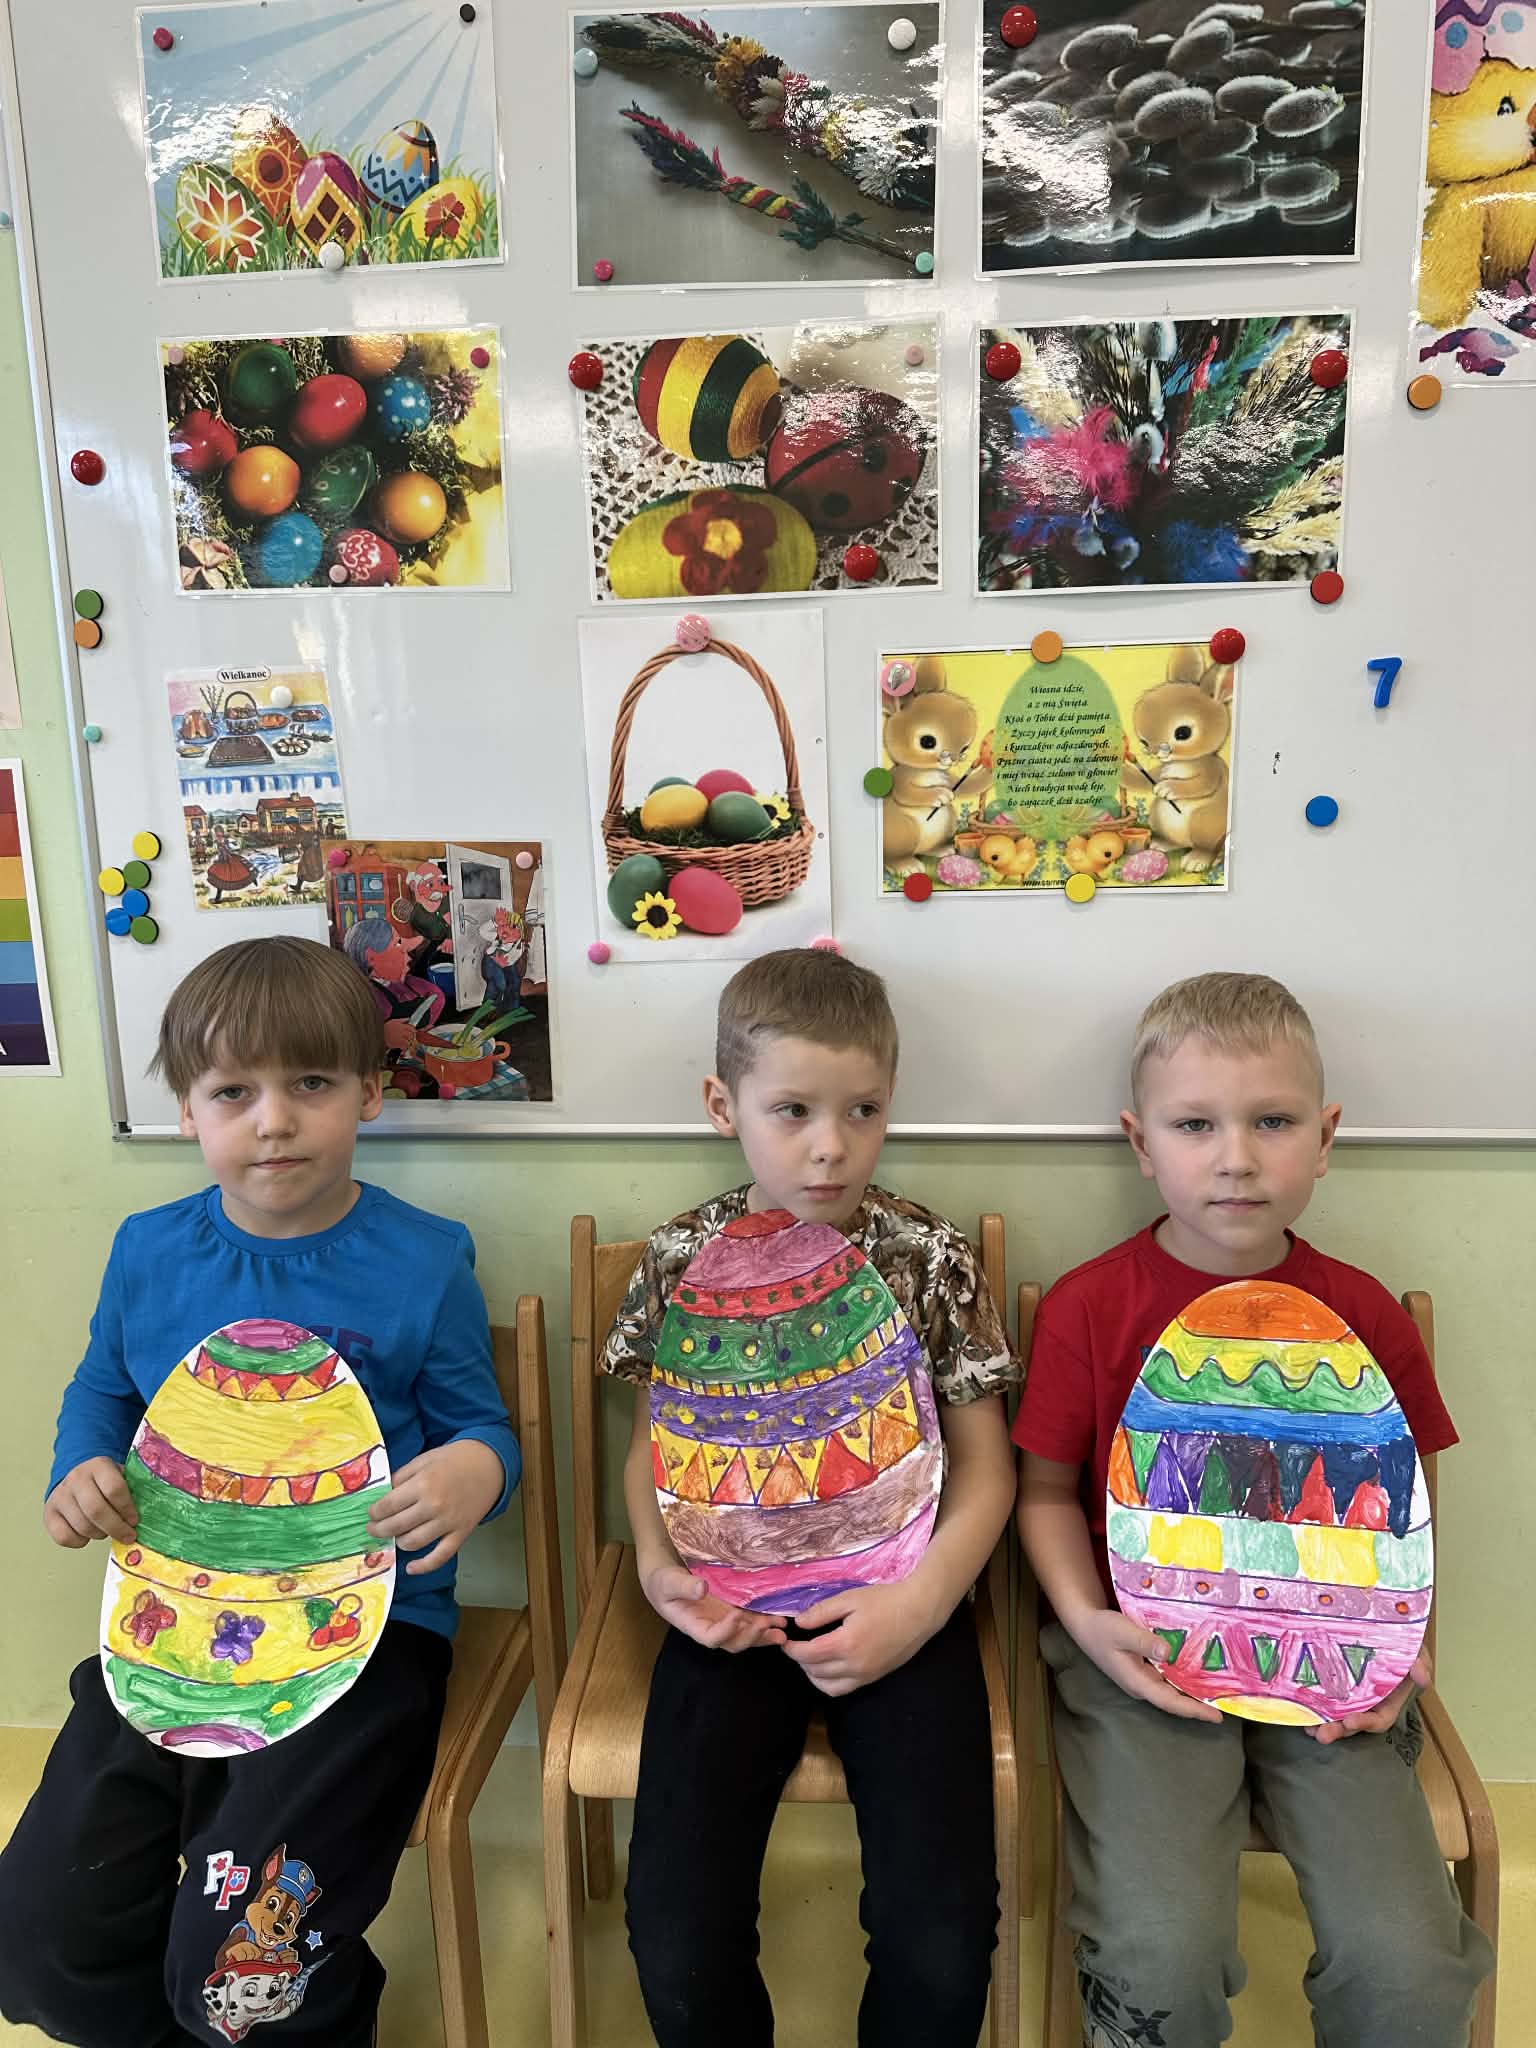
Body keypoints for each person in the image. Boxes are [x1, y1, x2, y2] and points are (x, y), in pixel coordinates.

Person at [0, 935, 520, 2048]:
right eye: (234, 1091)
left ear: (369, 1093)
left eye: (311, 1083)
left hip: (364, 1637)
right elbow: (104, 1390)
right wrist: (78, 1469)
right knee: (39, 1927)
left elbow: (480, 1428)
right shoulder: (148, 1251)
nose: (273, 1120)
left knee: (241, 1964)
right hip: (173, 1623)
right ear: (189, 1108)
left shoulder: (425, 1259)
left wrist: (478, 1469)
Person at [1013, 971, 1493, 2048]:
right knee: (1158, 1953)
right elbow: (1042, 1490)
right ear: (1141, 1142)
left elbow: (1406, 1509)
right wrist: (1087, 1622)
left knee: (1410, 1967)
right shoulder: (1090, 1306)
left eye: (1272, 1121)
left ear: (1325, 1138)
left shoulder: (1363, 1315)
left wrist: (1401, 1652)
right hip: (1143, 1665)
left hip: (1337, 1670)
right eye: (1196, 1124)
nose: (1235, 1156)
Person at [603, 947, 1020, 2048]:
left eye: (862, 1109)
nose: (830, 1144)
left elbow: (988, 1468)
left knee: (941, 1937)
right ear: (723, 1104)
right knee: (678, 1931)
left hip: (905, 1601)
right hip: (726, 1609)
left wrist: (920, 1605)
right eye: (792, 1110)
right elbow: (652, 1450)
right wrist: (658, 1568)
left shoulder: (929, 1255)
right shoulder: (681, 1257)